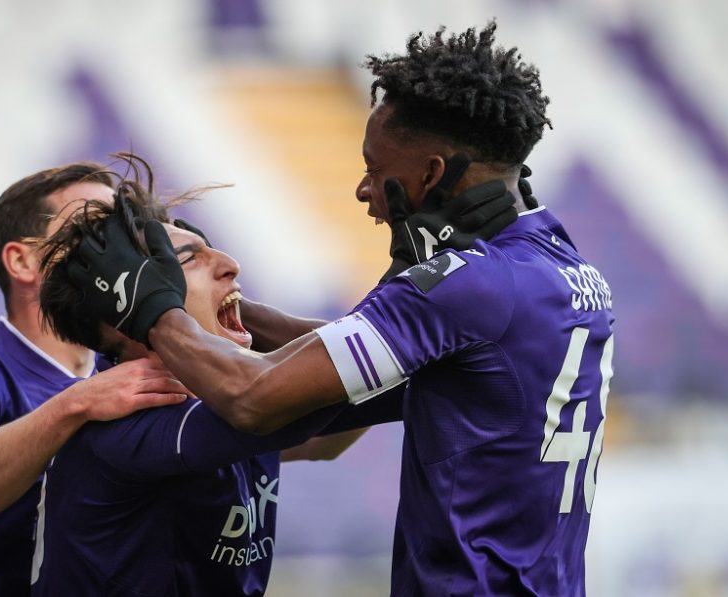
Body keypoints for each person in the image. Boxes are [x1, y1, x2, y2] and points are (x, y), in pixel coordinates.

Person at [68, 22, 615, 596]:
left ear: (430, 173)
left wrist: (155, 305)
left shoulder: (465, 286)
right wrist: (233, 307)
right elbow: (358, 347)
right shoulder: (559, 262)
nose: (363, 189)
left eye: (377, 170)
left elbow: (252, 398)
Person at [0, 163, 189, 596]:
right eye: (91, 228)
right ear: (23, 260)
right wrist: (78, 402)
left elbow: (312, 440)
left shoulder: (122, 371)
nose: (116, 249)